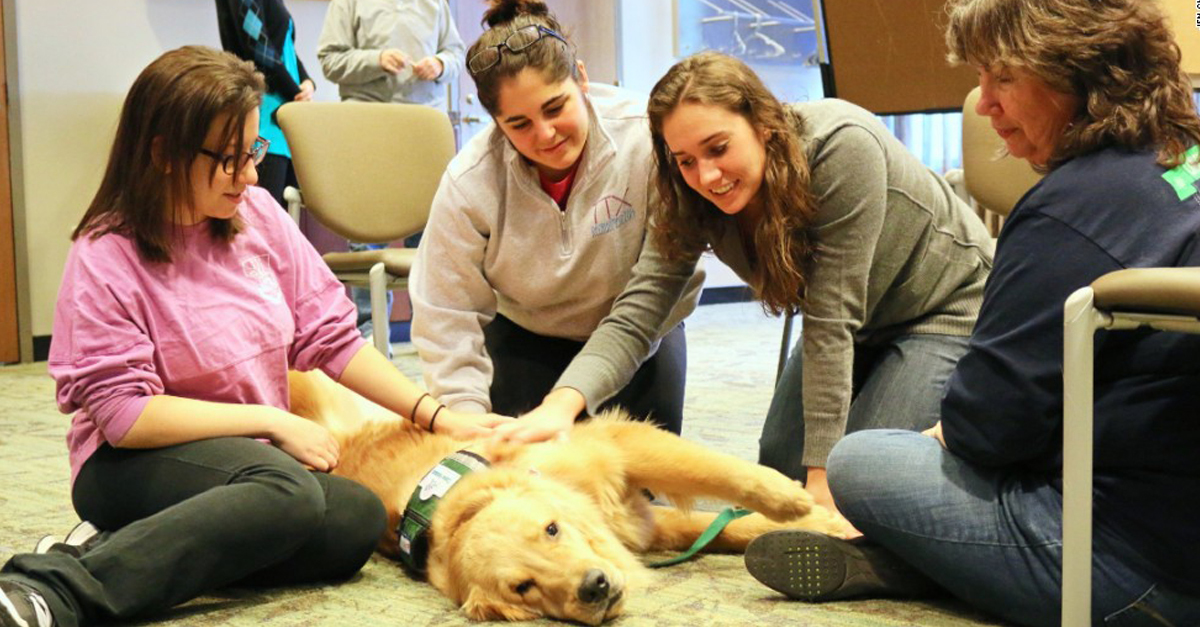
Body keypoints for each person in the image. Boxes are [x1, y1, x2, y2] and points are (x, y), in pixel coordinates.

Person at [0, 46, 507, 627]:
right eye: (229, 159)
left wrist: (437, 415)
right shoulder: (105, 252)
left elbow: (334, 340)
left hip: (249, 470)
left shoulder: (260, 216)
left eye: (254, 151)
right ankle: (54, 590)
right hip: (128, 463)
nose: (249, 174)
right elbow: (124, 415)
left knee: (355, 521)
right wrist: (272, 421)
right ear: (163, 153)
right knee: (288, 493)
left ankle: (117, 547)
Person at [742, 1, 1200, 625]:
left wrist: (944, 433)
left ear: (1078, 70)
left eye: (1002, 76)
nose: (983, 103)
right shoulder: (1184, 158)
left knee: (861, 461)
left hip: (1131, 572)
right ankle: (919, 562)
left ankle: (906, 563)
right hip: (1174, 528)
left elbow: (988, 431)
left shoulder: (1066, 212)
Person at [645, 51, 993, 521]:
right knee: (782, 464)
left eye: (719, 148)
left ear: (763, 124)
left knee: (859, 477)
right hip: (863, 321)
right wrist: (563, 404)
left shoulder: (841, 145)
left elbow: (832, 318)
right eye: (685, 160)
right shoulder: (688, 189)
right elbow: (640, 308)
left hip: (942, 307)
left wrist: (825, 482)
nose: (706, 175)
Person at [410, 0, 705, 443]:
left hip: (637, 334)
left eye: (555, 107)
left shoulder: (646, 140)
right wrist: (466, 419)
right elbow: (445, 310)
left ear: (582, 79)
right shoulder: (471, 180)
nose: (545, 135)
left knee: (638, 491)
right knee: (532, 479)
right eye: (519, 124)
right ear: (496, 124)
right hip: (528, 334)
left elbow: (671, 283)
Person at [316, 0, 468, 349]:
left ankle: (433, 338)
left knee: (433, 238)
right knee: (366, 235)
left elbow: (456, 53)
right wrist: (375, 60)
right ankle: (370, 341)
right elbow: (329, 59)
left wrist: (441, 64)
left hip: (423, 129)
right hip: (368, 125)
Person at [215, 0, 316, 209]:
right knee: (263, 216)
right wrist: (295, 93)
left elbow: (284, 49)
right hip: (264, 119)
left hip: (283, 118)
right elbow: (258, 48)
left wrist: (307, 82)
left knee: (285, 219)